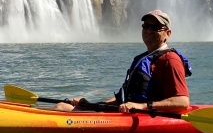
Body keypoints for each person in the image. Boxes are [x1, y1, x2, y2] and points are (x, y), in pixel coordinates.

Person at [54, 10, 190, 112]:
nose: (148, 30)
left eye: (155, 27)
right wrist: (92, 104)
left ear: (168, 33)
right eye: (145, 26)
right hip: (125, 112)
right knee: (62, 106)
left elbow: (182, 101)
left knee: (61, 108)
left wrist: (143, 106)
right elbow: (122, 98)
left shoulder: (170, 60)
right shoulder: (142, 58)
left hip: (143, 116)